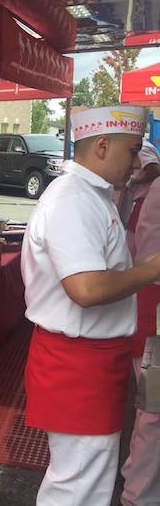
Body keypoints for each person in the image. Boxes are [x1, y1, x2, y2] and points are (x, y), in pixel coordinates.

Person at [21, 105, 160, 506]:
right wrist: (150, 270)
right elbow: (85, 288)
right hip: (77, 361)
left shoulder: (91, 195)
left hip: (91, 359)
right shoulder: (73, 199)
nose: (136, 163)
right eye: (132, 151)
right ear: (102, 146)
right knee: (79, 485)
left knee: (89, 478)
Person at [121, 150, 160, 506]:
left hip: (149, 310)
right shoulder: (156, 190)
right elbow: (146, 258)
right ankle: (138, 494)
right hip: (155, 317)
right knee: (154, 410)